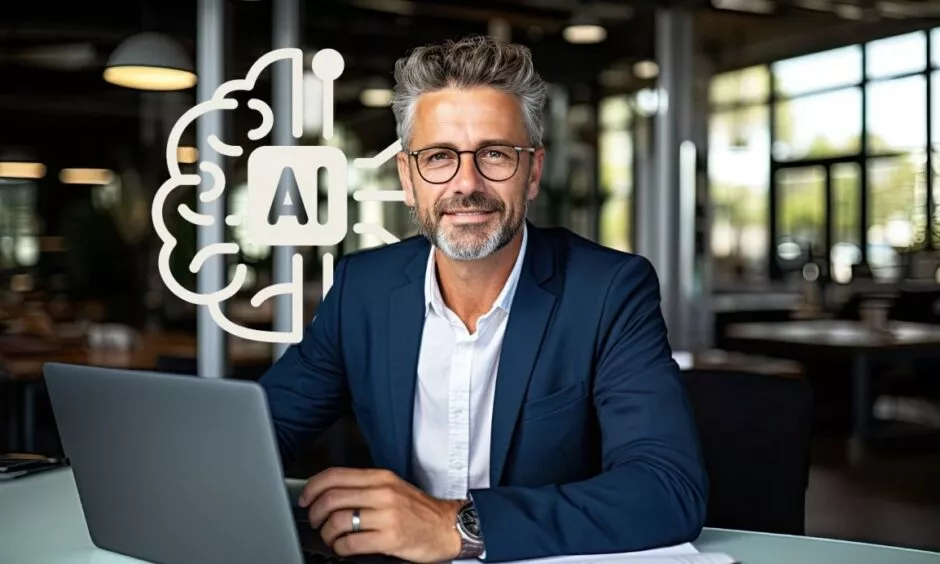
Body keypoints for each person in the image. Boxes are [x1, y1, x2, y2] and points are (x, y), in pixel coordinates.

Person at [259, 35, 707, 563]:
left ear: (533, 172)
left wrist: (459, 526)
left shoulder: (609, 291)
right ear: (408, 178)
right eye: (439, 157)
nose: (466, 183)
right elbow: (262, 433)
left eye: (495, 154)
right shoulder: (364, 288)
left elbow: (666, 489)